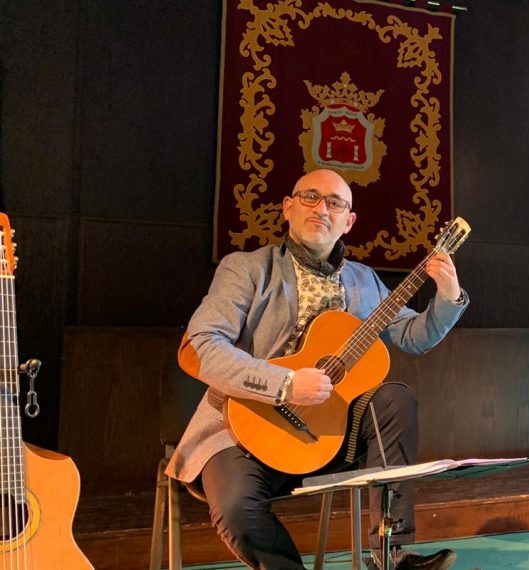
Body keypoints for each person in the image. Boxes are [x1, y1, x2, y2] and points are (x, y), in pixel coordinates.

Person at [166, 169, 467, 570]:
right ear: (287, 208)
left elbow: (414, 336)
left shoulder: (364, 280)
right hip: (242, 430)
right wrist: (285, 384)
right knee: (238, 508)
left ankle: (393, 554)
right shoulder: (246, 269)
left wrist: (448, 296)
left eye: (335, 203)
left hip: (328, 436)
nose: (321, 209)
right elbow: (199, 347)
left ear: (349, 221)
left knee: (394, 398)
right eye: (310, 197)